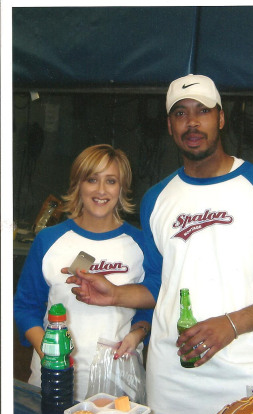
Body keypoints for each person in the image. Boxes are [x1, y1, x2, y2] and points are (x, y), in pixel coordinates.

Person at [63, 75, 253, 414]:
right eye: (180, 113)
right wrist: (115, 294)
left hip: (252, 392)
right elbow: (157, 283)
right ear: (169, 125)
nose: (192, 122)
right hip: (173, 395)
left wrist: (229, 325)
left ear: (221, 118)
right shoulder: (156, 199)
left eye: (203, 111)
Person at [14, 144, 151, 401]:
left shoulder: (141, 244)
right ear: (78, 184)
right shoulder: (49, 240)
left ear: (122, 188)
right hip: (53, 381)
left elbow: (150, 305)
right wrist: (51, 357)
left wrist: (138, 333)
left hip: (117, 385)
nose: (101, 190)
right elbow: (25, 307)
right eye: (92, 179)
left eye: (111, 181)